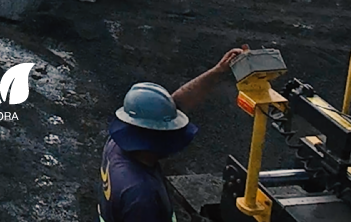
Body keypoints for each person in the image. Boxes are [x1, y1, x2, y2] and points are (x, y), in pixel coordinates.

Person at [99, 46, 249, 222]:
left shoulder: (118, 142)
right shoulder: (141, 196)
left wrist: (218, 70)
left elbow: (173, 104)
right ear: (156, 139)